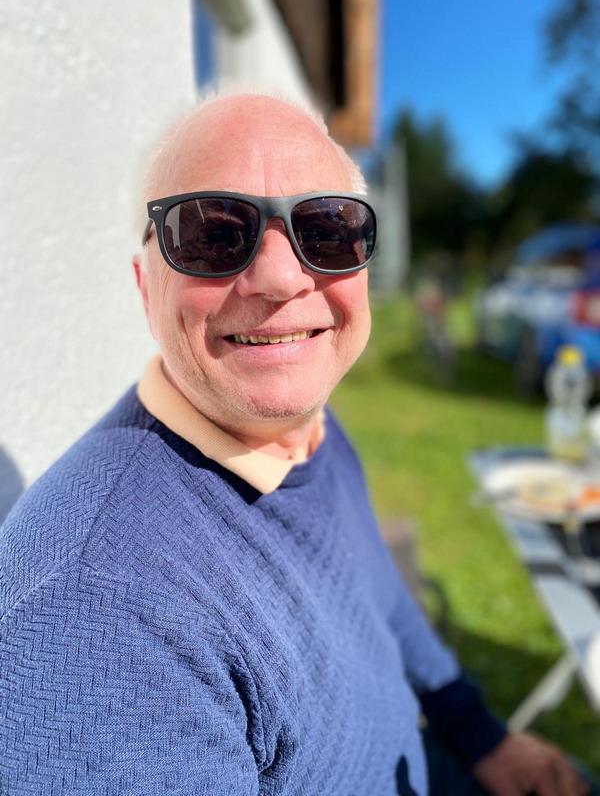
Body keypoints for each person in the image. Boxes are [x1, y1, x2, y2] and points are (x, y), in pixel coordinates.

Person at [0, 92, 594, 796]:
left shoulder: (308, 431)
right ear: (144, 286)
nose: (283, 278)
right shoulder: (91, 611)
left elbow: (379, 593)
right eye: (213, 234)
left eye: (328, 229)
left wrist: (483, 737)